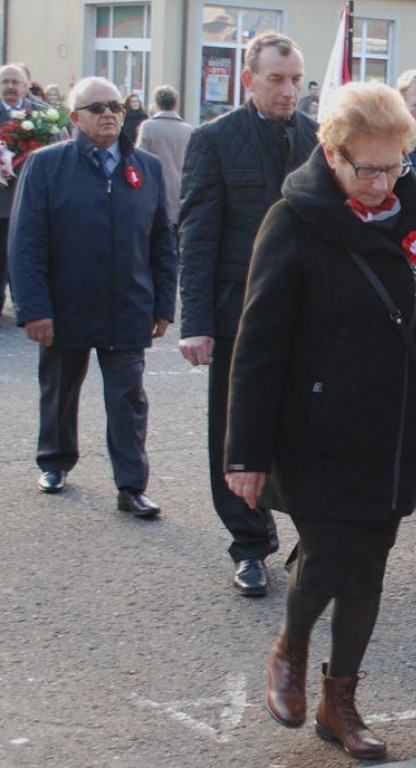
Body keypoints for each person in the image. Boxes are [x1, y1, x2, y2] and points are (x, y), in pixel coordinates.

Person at [224, 81, 416, 761]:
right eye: (367, 168)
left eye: (394, 166)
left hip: (393, 426)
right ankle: (292, 645)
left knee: (368, 566)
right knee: (333, 553)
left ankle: (341, 702)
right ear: (332, 155)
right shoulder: (293, 218)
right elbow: (259, 344)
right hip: (314, 428)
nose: (382, 182)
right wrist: (244, 453)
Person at [178, 31, 319, 597]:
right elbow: (198, 232)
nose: (289, 91)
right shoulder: (214, 140)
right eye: (276, 80)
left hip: (309, 312)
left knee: (309, 424)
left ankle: (312, 533)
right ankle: (249, 543)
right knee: (236, 431)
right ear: (249, 80)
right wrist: (195, 322)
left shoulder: (320, 137)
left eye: (296, 80)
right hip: (238, 311)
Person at [9, 76, 176, 514]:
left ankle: (131, 486)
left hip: (128, 305)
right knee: (60, 389)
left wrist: (163, 304)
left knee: (128, 399)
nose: (108, 114)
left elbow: (163, 240)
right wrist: (34, 309)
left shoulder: (147, 166)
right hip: (66, 306)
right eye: (97, 107)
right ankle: (55, 460)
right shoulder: (46, 165)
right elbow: (26, 243)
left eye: (116, 106)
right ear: (75, 117)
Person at [0, 63, 50, 315]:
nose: (9, 86)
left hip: (34, 199)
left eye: (14, 82)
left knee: (28, 255)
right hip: (1, 201)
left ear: (26, 85)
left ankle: (26, 305)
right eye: (5, 81)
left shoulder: (43, 115)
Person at [136, 85, 194, 230]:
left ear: (156, 103)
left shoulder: (149, 126)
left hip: (155, 191)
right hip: (182, 192)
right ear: (176, 104)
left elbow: (138, 159)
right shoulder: (188, 130)